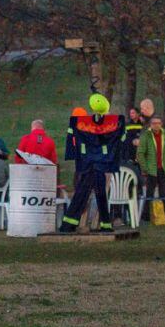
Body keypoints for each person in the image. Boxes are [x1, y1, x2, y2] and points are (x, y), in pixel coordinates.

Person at [59, 93, 126, 233]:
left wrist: (74, 155)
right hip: (100, 163)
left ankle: (69, 223)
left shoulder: (82, 125)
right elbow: (120, 137)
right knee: (99, 193)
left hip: (87, 163)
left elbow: (72, 140)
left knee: (83, 193)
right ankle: (105, 224)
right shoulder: (112, 124)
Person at [137, 116, 165, 218]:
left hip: (163, 169)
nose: (156, 125)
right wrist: (144, 168)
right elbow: (140, 153)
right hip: (151, 169)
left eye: (158, 123)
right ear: (151, 125)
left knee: (163, 192)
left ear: (161, 124)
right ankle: (147, 215)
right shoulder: (145, 135)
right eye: (154, 123)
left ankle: (163, 215)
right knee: (150, 193)